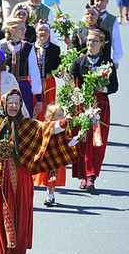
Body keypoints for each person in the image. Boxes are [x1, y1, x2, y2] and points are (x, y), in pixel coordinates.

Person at [0, 89, 78, 254]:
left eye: (16, 103)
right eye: (10, 102)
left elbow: (46, 130)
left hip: (20, 178)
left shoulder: (27, 125)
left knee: (19, 215)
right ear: (3, 104)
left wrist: (65, 122)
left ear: (20, 106)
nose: (13, 106)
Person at [69, 29, 119, 193]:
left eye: (94, 41)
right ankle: (83, 176)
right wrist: (76, 94)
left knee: (97, 141)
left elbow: (114, 86)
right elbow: (71, 82)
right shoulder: (78, 62)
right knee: (82, 138)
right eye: (89, 41)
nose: (91, 44)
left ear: (102, 44)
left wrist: (102, 88)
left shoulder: (107, 63)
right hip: (82, 105)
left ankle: (92, 176)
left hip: (100, 105)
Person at [1, 18, 42, 118]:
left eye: (24, 29)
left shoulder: (28, 47)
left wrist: (39, 98)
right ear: (12, 30)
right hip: (6, 86)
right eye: (21, 29)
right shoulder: (1, 47)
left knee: (24, 117)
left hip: (23, 87)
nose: (24, 31)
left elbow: (34, 71)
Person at [34, 104, 68, 207]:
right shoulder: (47, 126)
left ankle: (50, 195)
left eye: (62, 115)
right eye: (59, 115)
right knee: (46, 178)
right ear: (51, 116)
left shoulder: (63, 127)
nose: (61, 117)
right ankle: (49, 193)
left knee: (53, 178)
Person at [32, 21, 62, 119]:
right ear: (36, 33)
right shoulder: (30, 47)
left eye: (46, 30)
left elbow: (58, 66)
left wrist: (61, 71)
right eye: (41, 30)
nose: (43, 32)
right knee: (34, 106)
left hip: (49, 82)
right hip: (34, 82)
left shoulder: (55, 49)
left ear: (49, 33)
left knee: (49, 107)